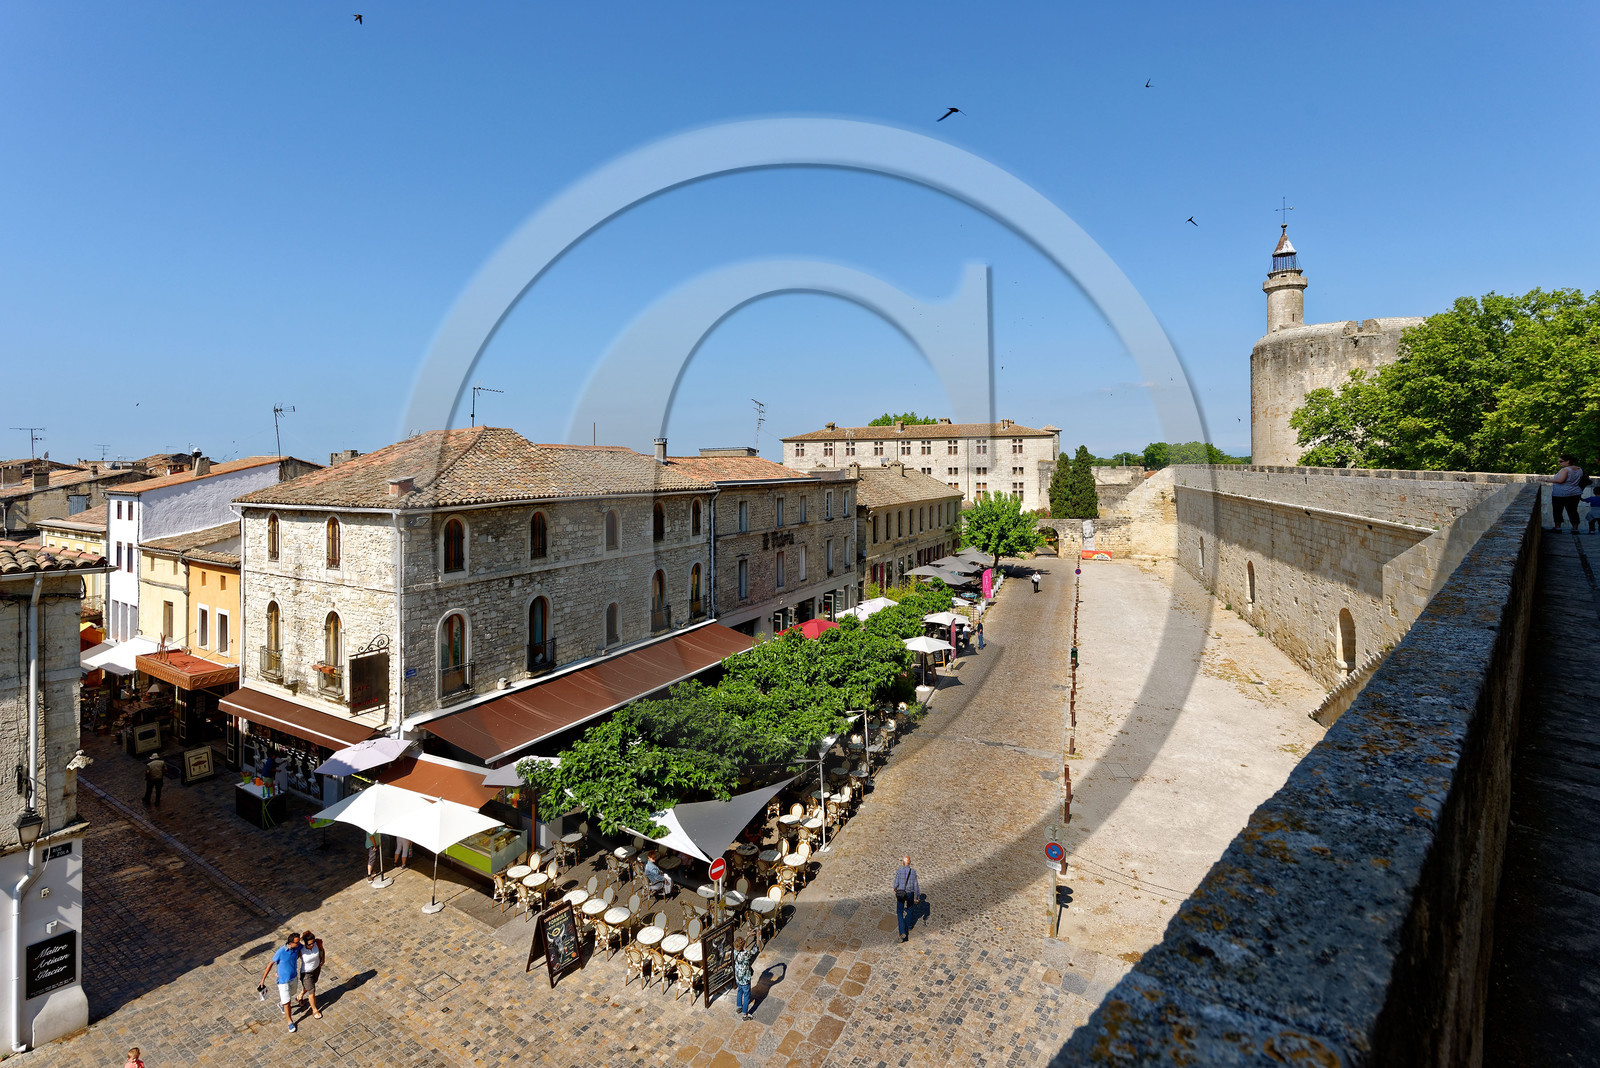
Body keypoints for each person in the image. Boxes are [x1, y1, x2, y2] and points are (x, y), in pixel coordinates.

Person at [258, 932, 302, 1032]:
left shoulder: (298, 947)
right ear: (291, 943)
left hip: (293, 978)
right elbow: (270, 964)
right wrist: (263, 979)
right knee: (288, 1002)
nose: (299, 943)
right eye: (297, 942)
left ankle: (281, 1004)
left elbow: (303, 949)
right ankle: (290, 1022)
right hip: (282, 981)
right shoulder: (281, 952)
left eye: (299, 941)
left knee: (292, 993)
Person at [1540, 453, 1586, 532]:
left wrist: (1546, 480)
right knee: (1573, 511)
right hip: (1575, 493)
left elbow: (1560, 480)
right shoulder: (1579, 469)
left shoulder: (1565, 470)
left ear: (1568, 461)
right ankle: (1575, 528)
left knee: (1558, 510)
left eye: (1561, 461)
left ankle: (1558, 528)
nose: (1559, 463)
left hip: (1560, 494)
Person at [297, 929, 325, 1020]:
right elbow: (292, 961)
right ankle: (314, 1010)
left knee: (310, 985)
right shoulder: (301, 950)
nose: (312, 945)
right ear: (305, 943)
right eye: (309, 944)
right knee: (312, 991)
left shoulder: (318, 942)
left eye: (313, 943)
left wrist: (323, 959)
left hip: (316, 969)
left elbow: (322, 950)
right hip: (306, 973)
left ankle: (300, 995)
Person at [892, 856, 920, 942]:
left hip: (901, 893)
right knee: (910, 909)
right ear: (909, 863)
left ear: (903, 863)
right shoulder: (913, 872)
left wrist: (895, 888)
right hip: (910, 893)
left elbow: (896, 883)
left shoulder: (899, 871)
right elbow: (916, 885)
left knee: (899, 912)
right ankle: (909, 926)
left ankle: (902, 932)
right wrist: (917, 897)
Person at [733, 934, 759, 1020]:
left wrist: (747, 936)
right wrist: (757, 937)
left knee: (739, 991)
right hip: (745, 979)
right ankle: (745, 1015)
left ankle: (739, 1007)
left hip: (738, 978)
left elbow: (740, 944)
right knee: (747, 996)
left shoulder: (735, 952)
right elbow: (755, 949)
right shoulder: (746, 954)